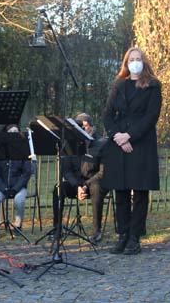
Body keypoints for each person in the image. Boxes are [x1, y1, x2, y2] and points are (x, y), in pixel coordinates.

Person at [101, 46, 162, 255]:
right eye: (131, 59)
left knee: (140, 192)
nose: (135, 62)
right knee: (121, 192)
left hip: (141, 142)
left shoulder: (153, 86)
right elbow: (107, 114)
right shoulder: (119, 84)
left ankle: (135, 237)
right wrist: (118, 136)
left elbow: (151, 116)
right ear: (126, 63)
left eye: (138, 59)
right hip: (118, 142)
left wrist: (130, 136)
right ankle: (123, 235)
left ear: (144, 62)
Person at [50, 112, 106, 244]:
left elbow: (102, 172)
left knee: (96, 188)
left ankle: (96, 231)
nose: (82, 129)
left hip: (95, 183)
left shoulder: (102, 143)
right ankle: (57, 229)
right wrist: (77, 186)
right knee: (58, 188)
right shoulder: (69, 144)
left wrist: (86, 185)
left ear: (92, 127)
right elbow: (66, 170)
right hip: (77, 184)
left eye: (84, 126)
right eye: (79, 127)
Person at [0, 124, 34, 235]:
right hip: (3, 188)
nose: (13, 134)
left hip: (19, 188)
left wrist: (15, 188)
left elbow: (27, 172)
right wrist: (4, 189)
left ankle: (18, 226)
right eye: (10, 132)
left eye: (15, 131)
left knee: (19, 200)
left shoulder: (23, 151)